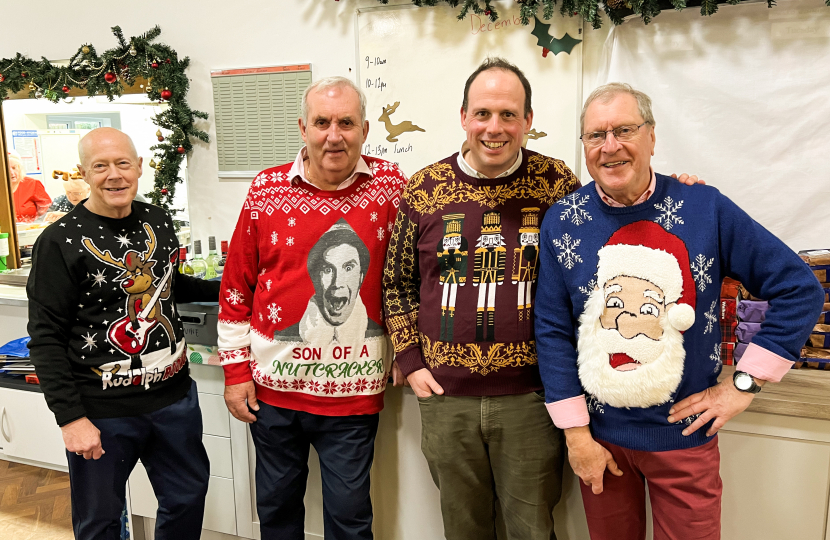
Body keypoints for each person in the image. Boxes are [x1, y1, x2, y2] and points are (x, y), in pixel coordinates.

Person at [383, 59, 704, 540]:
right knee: (462, 527)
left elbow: (608, 236)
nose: (495, 127)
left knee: (532, 529)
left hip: (534, 401)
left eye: (509, 115)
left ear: (528, 120)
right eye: (484, 113)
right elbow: (397, 283)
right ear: (464, 117)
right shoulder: (424, 189)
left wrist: (672, 198)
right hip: (446, 399)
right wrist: (410, 358)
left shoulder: (556, 184)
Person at [534, 82, 824, 540]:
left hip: (685, 439)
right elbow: (551, 330)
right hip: (600, 443)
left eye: (624, 129)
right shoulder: (562, 220)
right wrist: (575, 436)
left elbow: (800, 289)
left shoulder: (703, 207)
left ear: (651, 137)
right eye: (595, 135)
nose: (610, 146)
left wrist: (743, 385)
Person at [217, 76, 408, 540]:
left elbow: (409, 278)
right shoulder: (266, 189)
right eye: (322, 122)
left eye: (346, 122)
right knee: (278, 513)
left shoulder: (392, 187)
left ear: (364, 129)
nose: (333, 134)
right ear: (303, 127)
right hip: (273, 396)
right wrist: (236, 373)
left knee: (350, 518)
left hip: (352, 394)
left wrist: (407, 348)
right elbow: (237, 284)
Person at [27, 127, 219, 540]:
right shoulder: (58, 241)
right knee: (101, 521)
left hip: (174, 401)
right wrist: (71, 418)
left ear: (139, 167)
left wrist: (233, 286)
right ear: (83, 173)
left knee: (187, 499)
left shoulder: (158, 219)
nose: (114, 175)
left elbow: (172, 284)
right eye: (100, 166)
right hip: (102, 412)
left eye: (122, 163)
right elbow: (45, 336)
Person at [7, 152, 51, 222]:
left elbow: (48, 211)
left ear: (20, 168)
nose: (12, 172)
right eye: (6, 169)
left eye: (14, 168)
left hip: (31, 229)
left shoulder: (33, 184)